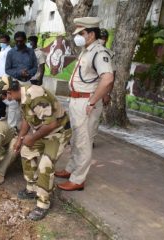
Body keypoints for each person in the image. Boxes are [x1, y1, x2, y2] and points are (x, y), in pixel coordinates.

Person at [55, 17, 114, 191]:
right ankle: (71, 168)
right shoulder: (86, 50)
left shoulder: (99, 53)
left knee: (83, 141)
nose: (78, 37)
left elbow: (108, 78)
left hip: (86, 102)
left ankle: (78, 179)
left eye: (81, 33)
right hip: (76, 100)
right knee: (75, 139)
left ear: (91, 34)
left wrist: (93, 101)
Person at [5, 78, 71, 221]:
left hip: (58, 132)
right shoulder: (22, 98)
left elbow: (52, 124)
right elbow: (26, 120)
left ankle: (43, 204)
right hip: (44, 131)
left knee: (45, 166)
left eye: (6, 96)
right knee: (26, 151)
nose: (7, 99)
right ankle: (32, 188)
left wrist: (32, 138)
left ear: (10, 92)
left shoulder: (35, 95)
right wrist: (20, 139)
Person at [4, 31, 38, 129]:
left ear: (25, 41)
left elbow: (35, 67)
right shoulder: (11, 53)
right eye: (17, 41)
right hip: (15, 81)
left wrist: (29, 73)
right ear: (14, 41)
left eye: (21, 41)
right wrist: (19, 73)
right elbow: (7, 69)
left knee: (26, 106)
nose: (19, 43)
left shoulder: (31, 52)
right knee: (13, 106)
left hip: (27, 82)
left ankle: (22, 128)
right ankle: (11, 128)